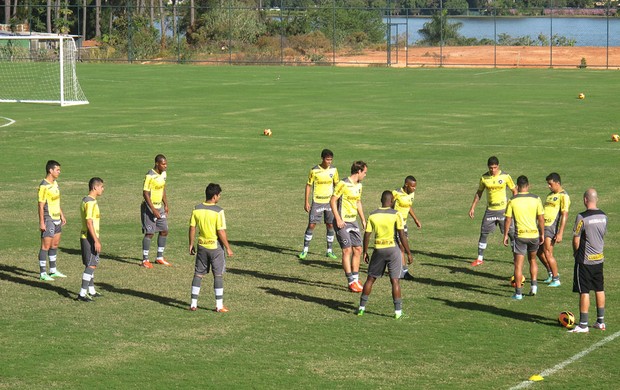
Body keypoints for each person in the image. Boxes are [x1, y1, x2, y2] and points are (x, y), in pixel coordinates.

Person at [357, 191, 413, 319]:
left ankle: (361, 308)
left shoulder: (373, 215)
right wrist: (408, 253)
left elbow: (367, 235)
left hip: (378, 249)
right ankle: (398, 312)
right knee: (395, 281)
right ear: (392, 201)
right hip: (393, 250)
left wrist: (365, 251)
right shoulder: (396, 214)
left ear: (381, 200)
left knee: (370, 279)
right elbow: (401, 235)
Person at [188, 183, 234, 312]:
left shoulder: (196, 209)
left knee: (198, 274)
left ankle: (193, 304)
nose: (219, 197)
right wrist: (228, 248)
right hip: (215, 248)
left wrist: (191, 244)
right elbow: (221, 231)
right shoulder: (218, 211)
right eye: (219, 195)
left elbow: (192, 227)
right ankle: (219, 306)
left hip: (202, 246)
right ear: (214, 196)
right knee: (218, 275)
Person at [568, 188, 607, 333]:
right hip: (599, 259)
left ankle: (583, 324)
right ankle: (600, 321)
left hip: (585, 261)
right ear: (596, 199)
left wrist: (575, 253)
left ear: (585, 199)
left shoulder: (582, 217)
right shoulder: (604, 216)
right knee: (599, 288)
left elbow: (576, 238)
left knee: (584, 291)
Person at [469, 156, 517, 267]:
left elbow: (514, 190)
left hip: (503, 211)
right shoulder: (484, 178)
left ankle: (516, 257)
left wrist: (513, 206)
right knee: (483, 233)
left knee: (511, 234)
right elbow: (479, 193)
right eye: (491, 168)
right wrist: (472, 207)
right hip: (490, 211)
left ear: (498, 166)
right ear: (488, 167)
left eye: (495, 168)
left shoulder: (505, 176)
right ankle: (480, 258)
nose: (493, 170)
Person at [503, 175, 544, 300]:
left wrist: (505, 235)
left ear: (517, 186)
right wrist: (542, 233)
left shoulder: (512, 200)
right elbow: (541, 218)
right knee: (532, 260)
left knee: (518, 265)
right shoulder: (536, 199)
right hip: (534, 235)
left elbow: (508, 220)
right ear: (528, 185)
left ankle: (519, 293)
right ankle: (534, 286)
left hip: (520, 236)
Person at [330, 161, 367, 293]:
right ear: (358, 171)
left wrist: (362, 219)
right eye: (364, 172)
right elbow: (333, 201)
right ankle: (351, 282)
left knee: (358, 249)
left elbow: (358, 202)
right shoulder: (343, 184)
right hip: (343, 221)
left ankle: (356, 279)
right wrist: (338, 218)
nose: (365, 175)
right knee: (347, 251)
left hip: (353, 221)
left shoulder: (359, 186)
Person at [298, 149, 340, 260]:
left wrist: (338, 201)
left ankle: (329, 251)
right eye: (327, 159)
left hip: (329, 202)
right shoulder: (314, 171)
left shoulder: (334, 170)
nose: (329, 162)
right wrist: (306, 201)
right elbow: (308, 185)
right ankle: (305, 250)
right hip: (317, 202)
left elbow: (337, 185)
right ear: (322, 158)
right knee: (312, 225)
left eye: (331, 160)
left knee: (330, 225)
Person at [536, 173, 570, 287]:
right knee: (538, 251)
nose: (549, 186)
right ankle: (551, 273)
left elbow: (565, 214)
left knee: (548, 252)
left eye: (550, 184)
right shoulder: (550, 195)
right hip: (541, 226)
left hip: (551, 226)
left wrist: (560, 232)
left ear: (557, 183)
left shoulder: (563, 196)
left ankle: (556, 279)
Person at [37, 160, 67, 281]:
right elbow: (40, 205)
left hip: (56, 218)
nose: (59, 172)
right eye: (57, 170)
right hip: (48, 218)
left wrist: (62, 215)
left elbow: (56, 201)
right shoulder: (44, 186)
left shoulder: (55, 183)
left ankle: (53, 271)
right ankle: (43, 273)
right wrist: (42, 222)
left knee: (54, 244)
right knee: (46, 245)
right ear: (51, 170)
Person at [76, 178, 105, 302]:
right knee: (91, 265)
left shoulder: (87, 200)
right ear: (95, 187)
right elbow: (89, 223)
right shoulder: (90, 203)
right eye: (101, 187)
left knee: (92, 264)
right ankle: (82, 294)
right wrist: (96, 240)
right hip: (89, 237)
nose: (103, 189)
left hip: (89, 236)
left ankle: (91, 290)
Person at [141, 154, 171, 268]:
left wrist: (166, 204)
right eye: (163, 164)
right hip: (149, 208)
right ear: (157, 164)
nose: (165, 166)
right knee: (150, 233)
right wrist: (153, 210)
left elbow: (163, 188)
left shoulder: (163, 174)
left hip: (160, 207)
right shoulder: (150, 176)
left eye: (166, 163)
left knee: (164, 230)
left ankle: (159, 257)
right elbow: (145, 193)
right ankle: (145, 260)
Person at [392, 176, 422, 280]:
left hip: (404, 224)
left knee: (402, 247)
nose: (415, 188)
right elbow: (387, 206)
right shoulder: (396, 193)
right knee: (401, 247)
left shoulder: (411, 194)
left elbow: (408, 206)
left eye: (415, 186)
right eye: (413, 186)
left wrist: (415, 219)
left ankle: (398, 269)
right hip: (396, 224)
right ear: (406, 185)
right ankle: (403, 272)